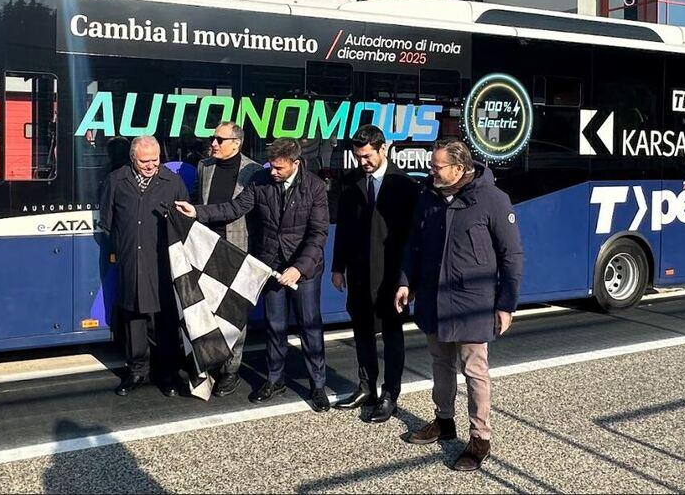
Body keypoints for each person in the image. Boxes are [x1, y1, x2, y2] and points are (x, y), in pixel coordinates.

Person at [395, 139, 523, 471]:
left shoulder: (492, 200)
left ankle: (479, 438)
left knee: (474, 371)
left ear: (459, 169)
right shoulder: (428, 196)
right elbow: (413, 244)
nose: (431, 171)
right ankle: (443, 422)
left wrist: (505, 304)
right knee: (440, 364)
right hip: (433, 299)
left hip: (472, 303)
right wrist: (405, 282)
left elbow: (511, 256)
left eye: (437, 166)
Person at [177, 138, 330, 412]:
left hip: (303, 269)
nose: (274, 172)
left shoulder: (315, 187)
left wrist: (298, 269)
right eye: (272, 166)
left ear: (296, 164)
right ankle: (274, 380)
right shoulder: (260, 180)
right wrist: (197, 212)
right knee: (275, 325)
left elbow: (318, 235)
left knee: (309, 326)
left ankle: (317, 385)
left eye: (280, 169)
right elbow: (234, 208)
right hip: (270, 266)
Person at [331, 125, 419, 423]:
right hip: (358, 272)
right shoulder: (351, 182)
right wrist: (337, 266)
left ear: (384, 149)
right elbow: (343, 228)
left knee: (392, 335)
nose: (362, 162)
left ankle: (390, 394)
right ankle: (366, 387)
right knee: (362, 331)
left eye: (367, 156)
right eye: (358, 157)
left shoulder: (404, 185)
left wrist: (406, 280)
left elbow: (411, 238)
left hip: (391, 276)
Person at [99, 135, 190, 397]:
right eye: (144, 161)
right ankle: (137, 371)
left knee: (164, 320)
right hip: (130, 261)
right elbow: (107, 222)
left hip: (162, 264)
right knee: (133, 318)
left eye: (155, 160)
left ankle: (168, 373)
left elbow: (185, 225)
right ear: (132, 159)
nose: (151, 166)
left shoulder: (172, 182)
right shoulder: (117, 180)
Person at [194, 121, 262, 396]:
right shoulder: (204, 166)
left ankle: (230, 371)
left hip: (237, 250)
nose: (214, 143)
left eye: (220, 140)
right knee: (207, 311)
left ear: (237, 143)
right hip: (206, 250)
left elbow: (250, 215)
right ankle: (210, 363)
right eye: (213, 138)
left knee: (234, 314)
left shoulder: (253, 171)